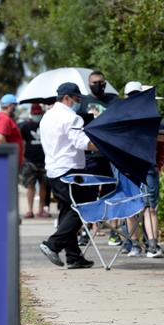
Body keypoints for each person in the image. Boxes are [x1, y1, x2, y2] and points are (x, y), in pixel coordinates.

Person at [38, 82, 97, 270]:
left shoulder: (47, 116)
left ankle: (73, 256)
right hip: (70, 169)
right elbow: (81, 143)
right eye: (76, 99)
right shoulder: (71, 117)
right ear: (66, 98)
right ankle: (52, 244)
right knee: (83, 207)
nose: (78, 102)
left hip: (54, 169)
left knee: (67, 210)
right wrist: (100, 142)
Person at [120, 81, 164, 258]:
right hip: (132, 168)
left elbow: (163, 133)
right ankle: (136, 245)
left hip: (144, 167)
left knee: (148, 208)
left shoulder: (148, 115)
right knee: (134, 209)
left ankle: (151, 245)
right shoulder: (136, 115)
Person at [79, 71, 122, 246]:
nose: (99, 85)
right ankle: (86, 230)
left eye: (101, 82)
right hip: (91, 156)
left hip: (111, 154)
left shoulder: (114, 100)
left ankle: (114, 231)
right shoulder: (83, 103)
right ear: (89, 85)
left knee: (112, 193)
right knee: (89, 194)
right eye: (95, 82)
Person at [20, 104, 51, 219]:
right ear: (31, 114)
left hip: (45, 161)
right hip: (30, 160)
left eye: (39, 114)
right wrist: (22, 156)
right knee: (30, 186)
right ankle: (29, 210)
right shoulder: (25, 126)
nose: (37, 116)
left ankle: (41, 209)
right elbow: (21, 141)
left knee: (44, 186)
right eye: (35, 114)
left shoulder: (46, 125)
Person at [0, 94, 24, 166]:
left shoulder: (4, 118)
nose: (16, 108)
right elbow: (0, 137)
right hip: (6, 163)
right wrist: (11, 153)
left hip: (7, 162)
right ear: (10, 106)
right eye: (15, 105)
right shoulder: (4, 118)